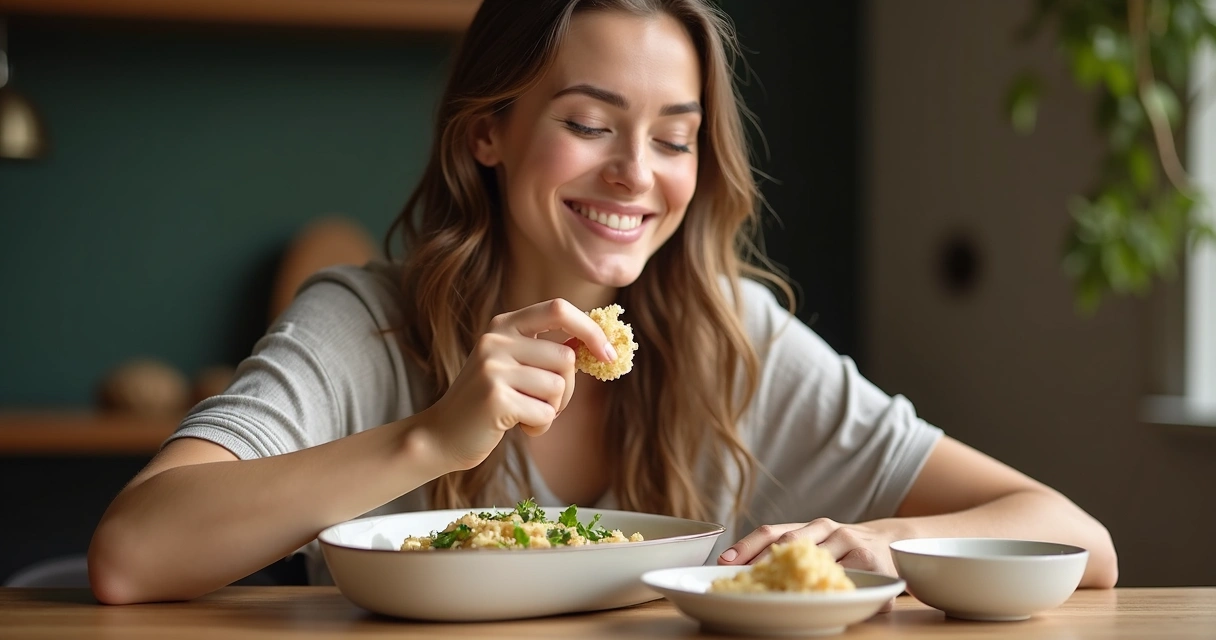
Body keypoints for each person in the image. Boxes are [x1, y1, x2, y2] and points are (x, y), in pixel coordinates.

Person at [87, 0, 1118, 605]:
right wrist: (428, 441)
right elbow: (132, 554)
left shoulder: (731, 336)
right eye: (590, 122)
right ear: (486, 131)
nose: (637, 173)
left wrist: (884, 542)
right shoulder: (365, 323)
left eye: (674, 137)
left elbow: (1076, 536)